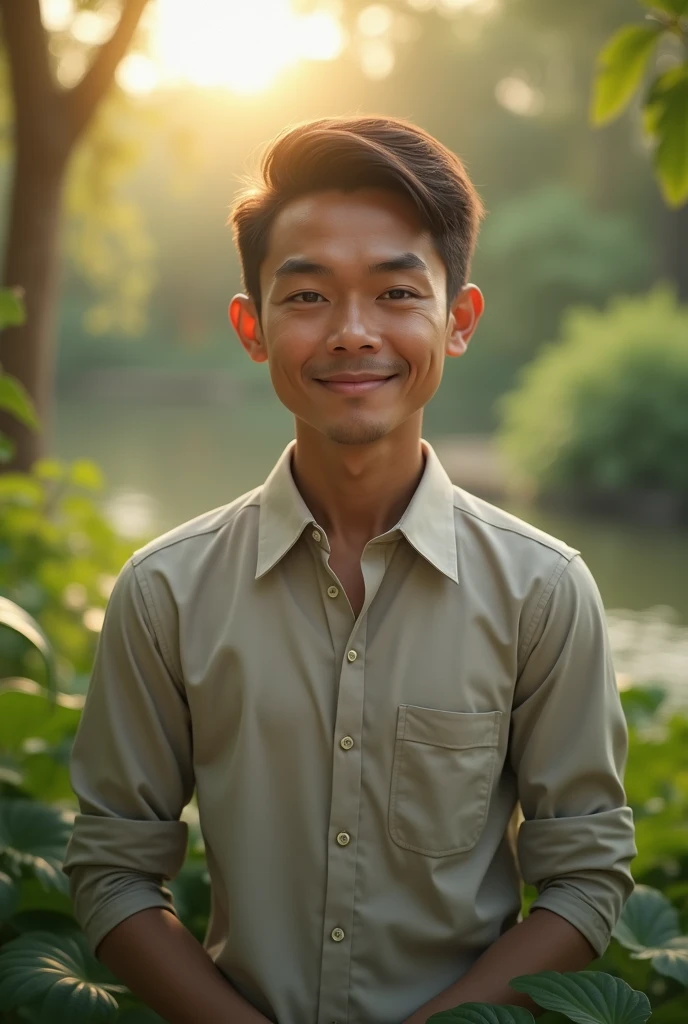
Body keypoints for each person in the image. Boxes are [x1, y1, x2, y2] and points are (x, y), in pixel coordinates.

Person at [62, 116, 636, 1024]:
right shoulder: (166, 592)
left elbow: (586, 878)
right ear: (253, 328)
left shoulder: (543, 591)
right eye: (308, 297)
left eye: (398, 292)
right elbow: (112, 869)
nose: (352, 332)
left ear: (458, 321)